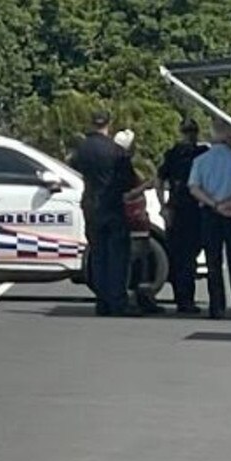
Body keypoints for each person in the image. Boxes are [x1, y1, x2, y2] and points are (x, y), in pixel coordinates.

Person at [70, 111, 136, 316]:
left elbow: (74, 169)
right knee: (117, 255)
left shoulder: (82, 150)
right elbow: (128, 180)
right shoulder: (116, 151)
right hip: (113, 205)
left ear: (92, 123)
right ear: (109, 124)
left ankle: (102, 301)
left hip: (91, 204)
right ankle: (118, 301)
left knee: (98, 254)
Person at [188, 118, 231, 320]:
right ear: (228, 134)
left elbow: (193, 187)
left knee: (213, 262)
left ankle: (216, 305)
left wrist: (214, 204)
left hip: (210, 213)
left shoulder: (201, 161)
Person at [156, 118, 208, 314]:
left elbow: (158, 180)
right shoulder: (201, 153)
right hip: (192, 209)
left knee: (180, 256)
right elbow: (159, 180)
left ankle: (182, 298)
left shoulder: (173, 154)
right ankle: (186, 300)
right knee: (188, 257)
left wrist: (163, 206)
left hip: (178, 208)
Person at [113, 129, 165, 315]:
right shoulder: (122, 167)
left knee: (142, 261)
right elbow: (125, 195)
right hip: (131, 219)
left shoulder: (123, 166)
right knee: (133, 262)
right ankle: (132, 298)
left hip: (138, 219)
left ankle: (143, 297)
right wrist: (145, 186)